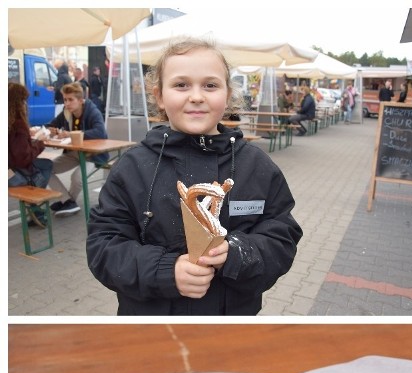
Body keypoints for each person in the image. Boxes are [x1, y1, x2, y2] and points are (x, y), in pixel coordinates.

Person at [86, 37, 303, 316]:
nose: (197, 96)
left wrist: (238, 253)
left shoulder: (257, 166)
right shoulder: (132, 167)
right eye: (181, 85)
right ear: (160, 96)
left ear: (228, 95)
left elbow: (282, 236)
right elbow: (103, 245)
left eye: (210, 85)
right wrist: (165, 271)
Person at [45, 82, 108, 216]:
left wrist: (70, 134)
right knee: (44, 169)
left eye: (70, 100)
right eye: (65, 99)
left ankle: (68, 202)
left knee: (77, 178)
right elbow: (51, 124)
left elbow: (100, 132)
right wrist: (50, 130)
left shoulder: (92, 111)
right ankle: (67, 201)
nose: (67, 103)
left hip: (91, 155)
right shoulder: (66, 113)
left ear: (80, 100)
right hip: (74, 153)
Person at [8, 82, 55, 227]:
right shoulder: (18, 124)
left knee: (40, 166)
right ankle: (35, 205)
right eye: (24, 101)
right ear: (19, 103)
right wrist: (40, 143)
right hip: (12, 176)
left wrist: (29, 139)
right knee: (47, 165)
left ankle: (35, 208)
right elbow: (24, 159)